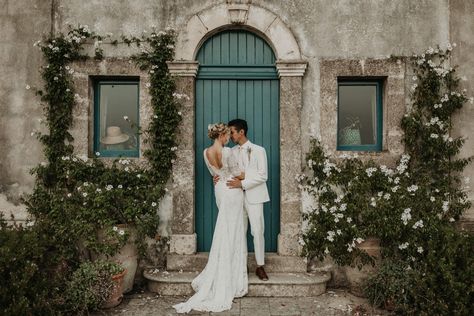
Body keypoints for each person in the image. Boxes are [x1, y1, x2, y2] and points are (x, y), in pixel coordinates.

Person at [173, 123, 248, 313]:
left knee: (225, 227)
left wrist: (220, 176)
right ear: (221, 135)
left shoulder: (206, 152)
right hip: (232, 189)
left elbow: (214, 174)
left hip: (220, 190)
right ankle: (232, 273)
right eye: (227, 135)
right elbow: (238, 173)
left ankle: (223, 266)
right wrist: (249, 175)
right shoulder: (229, 152)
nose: (229, 137)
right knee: (234, 230)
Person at [222, 118, 270, 281]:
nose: (230, 135)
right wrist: (218, 177)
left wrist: (242, 182)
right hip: (236, 197)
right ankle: (239, 266)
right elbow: (227, 171)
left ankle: (260, 266)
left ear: (241, 132)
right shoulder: (231, 151)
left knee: (257, 231)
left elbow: (263, 176)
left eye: (232, 132)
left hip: (255, 196)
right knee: (239, 231)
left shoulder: (259, 150)